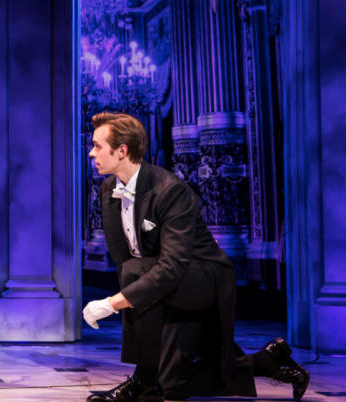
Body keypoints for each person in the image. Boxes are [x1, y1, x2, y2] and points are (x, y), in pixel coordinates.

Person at [81, 112, 310, 401]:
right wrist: (134, 297)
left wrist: (114, 303)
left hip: (203, 276)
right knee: (175, 381)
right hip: (159, 275)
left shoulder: (170, 191)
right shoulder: (108, 188)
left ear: (122, 151)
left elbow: (173, 266)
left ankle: (142, 382)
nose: (91, 152)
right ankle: (269, 360)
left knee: (138, 272)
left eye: (98, 145)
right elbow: (123, 258)